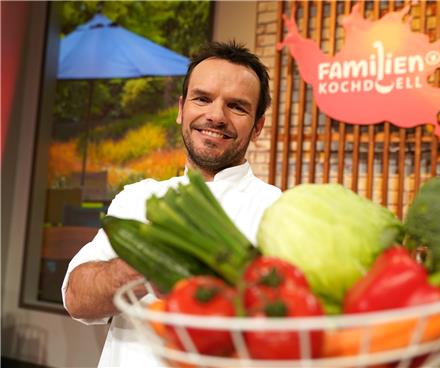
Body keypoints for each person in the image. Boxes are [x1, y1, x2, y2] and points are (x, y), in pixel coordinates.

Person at [62, 41, 282, 367]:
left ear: (258, 126)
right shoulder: (137, 198)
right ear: (181, 109)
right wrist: (146, 265)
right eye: (202, 99)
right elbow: (76, 300)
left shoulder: (278, 211)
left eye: (236, 106)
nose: (215, 116)